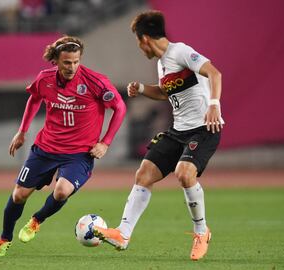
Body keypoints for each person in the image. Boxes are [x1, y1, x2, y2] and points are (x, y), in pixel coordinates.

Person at [93, 10, 223, 261]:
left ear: (144, 39)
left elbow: (215, 73)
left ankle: (201, 231)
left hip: (205, 128)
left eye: (137, 42)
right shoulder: (162, 63)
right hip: (178, 130)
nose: (139, 48)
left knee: (184, 173)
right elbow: (166, 93)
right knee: (143, 174)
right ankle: (123, 234)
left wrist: (214, 103)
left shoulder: (182, 51)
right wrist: (142, 89)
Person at [0, 35, 126, 256]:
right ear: (56, 60)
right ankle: (4, 238)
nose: (72, 67)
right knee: (18, 196)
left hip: (79, 154)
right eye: (67, 62)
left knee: (62, 192)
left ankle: (36, 220)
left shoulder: (95, 82)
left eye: (76, 61)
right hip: (46, 148)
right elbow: (34, 98)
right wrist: (22, 131)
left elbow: (119, 107)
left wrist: (105, 143)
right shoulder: (45, 79)